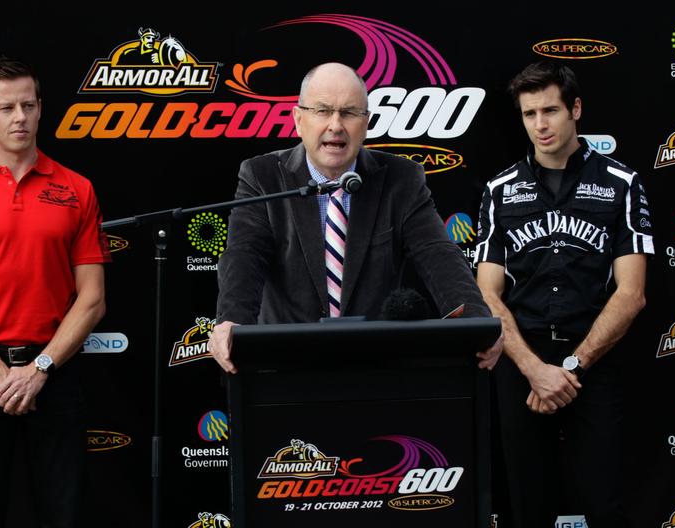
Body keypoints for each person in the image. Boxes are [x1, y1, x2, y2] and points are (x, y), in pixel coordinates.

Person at [209, 62, 501, 373]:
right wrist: (233, 322)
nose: (336, 125)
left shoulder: (401, 179)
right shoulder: (262, 176)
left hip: (375, 368)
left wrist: (476, 323)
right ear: (299, 119)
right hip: (287, 367)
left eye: (349, 113)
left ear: (366, 123)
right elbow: (245, 255)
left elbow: (438, 255)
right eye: (322, 111)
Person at [0, 57, 111, 527]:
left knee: (63, 515)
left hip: (56, 373)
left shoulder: (77, 189)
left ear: (41, 108)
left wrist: (39, 369)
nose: (20, 118)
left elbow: (92, 299)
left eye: (28, 105)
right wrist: (1, 376)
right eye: (7, 107)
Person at [474, 61, 654, 527]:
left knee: (605, 504)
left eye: (550, 110)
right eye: (529, 114)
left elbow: (632, 293)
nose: (540, 125)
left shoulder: (622, 183)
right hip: (521, 366)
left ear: (575, 109)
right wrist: (535, 371)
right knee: (526, 507)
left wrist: (570, 369)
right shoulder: (499, 190)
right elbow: (488, 296)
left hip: (593, 363)